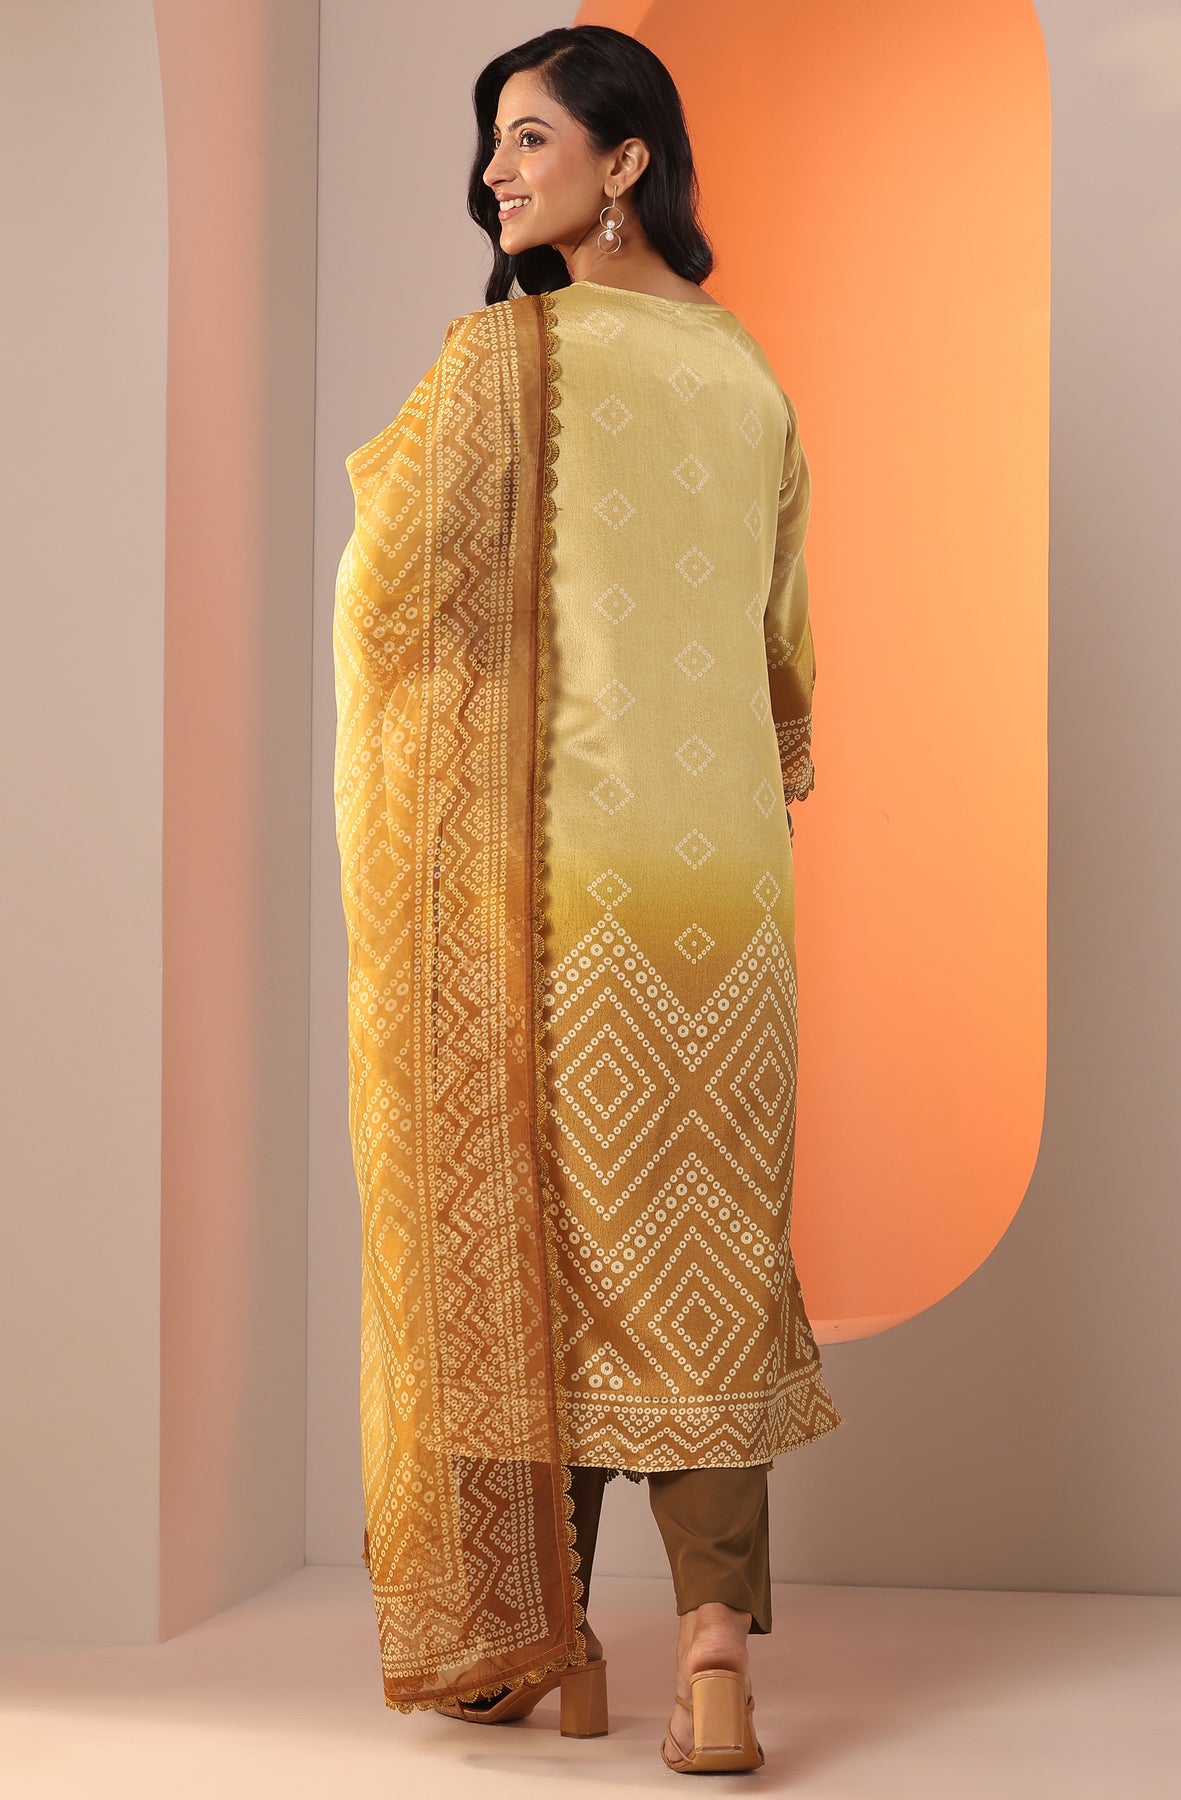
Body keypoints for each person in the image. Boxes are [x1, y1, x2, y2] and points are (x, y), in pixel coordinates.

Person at [333, 22, 842, 1774]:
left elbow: (389, 596)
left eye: (531, 136)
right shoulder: (751, 373)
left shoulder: (504, 359)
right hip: (732, 897)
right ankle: (714, 1660)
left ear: (625, 162)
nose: (495, 170)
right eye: (492, 139)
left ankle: (541, 1638)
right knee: (707, 1255)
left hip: (554, 891)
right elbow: (782, 661)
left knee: (534, 1243)